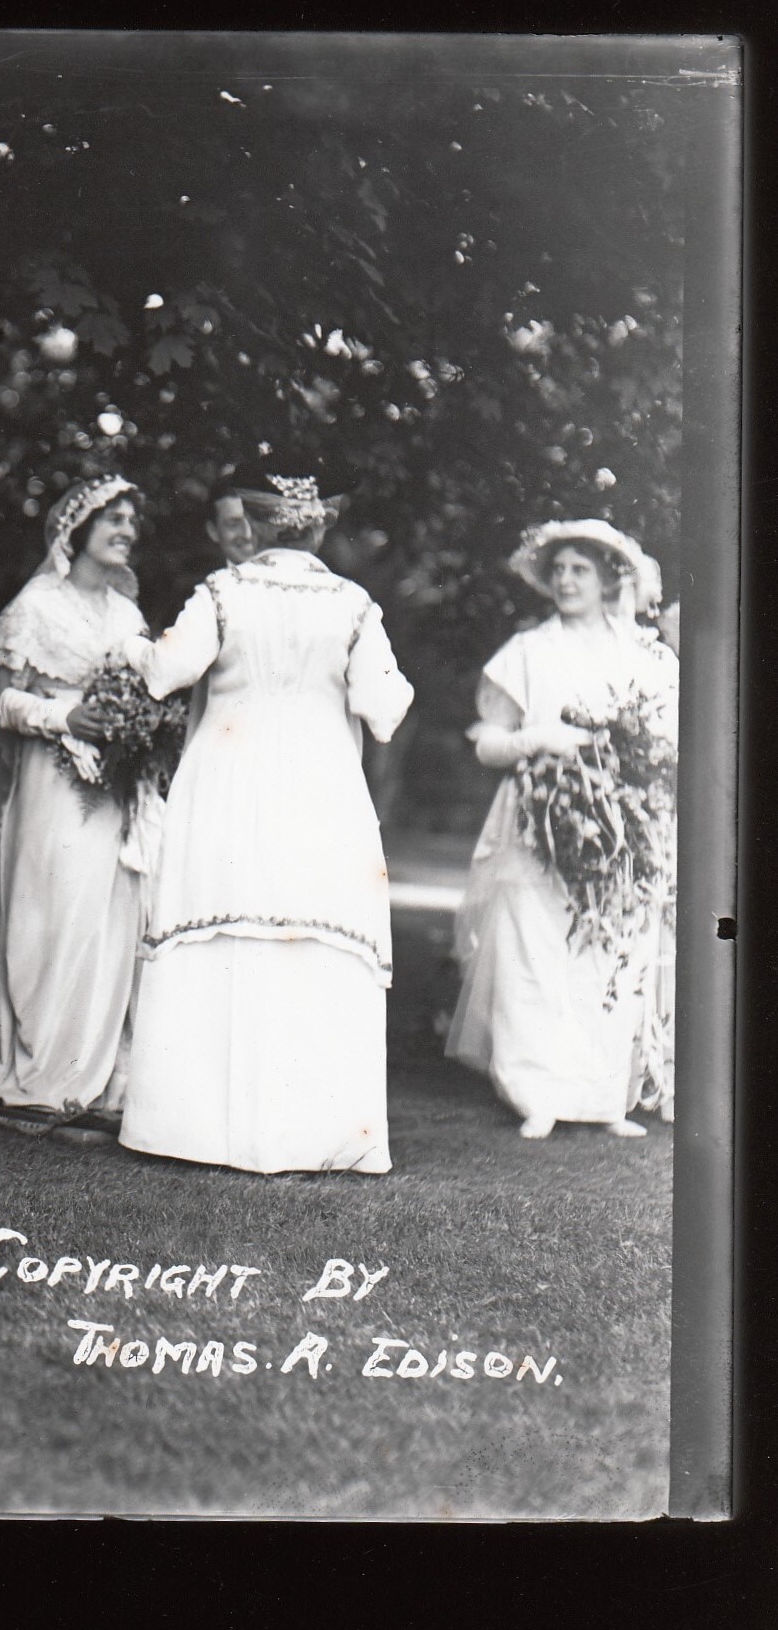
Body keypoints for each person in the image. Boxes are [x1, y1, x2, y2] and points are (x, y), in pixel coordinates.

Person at [118, 465, 413, 1175]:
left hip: (231, 775)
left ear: (259, 527)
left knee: (222, 920)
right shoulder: (352, 604)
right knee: (306, 931)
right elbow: (383, 709)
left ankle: (192, 1130)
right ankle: (314, 1133)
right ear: (319, 529)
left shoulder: (224, 591)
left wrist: (132, 647)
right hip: (319, 783)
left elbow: (166, 671)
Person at [0, 474, 150, 1128]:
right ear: (78, 528)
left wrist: (136, 728)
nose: (127, 529)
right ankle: (42, 1060)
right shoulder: (37, 605)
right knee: (52, 913)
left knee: (108, 918)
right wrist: (63, 720)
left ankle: (92, 1070)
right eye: (114, 518)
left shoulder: (128, 614)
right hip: (50, 780)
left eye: (133, 520)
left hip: (112, 785)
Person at [445, 520, 678, 1135]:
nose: (567, 580)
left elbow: (671, 742)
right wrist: (535, 740)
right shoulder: (528, 652)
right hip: (538, 819)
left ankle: (603, 1096)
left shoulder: (647, 657)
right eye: (560, 570)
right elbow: (488, 743)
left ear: (609, 578)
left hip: (624, 822)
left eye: (581, 569)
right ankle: (536, 1092)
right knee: (535, 944)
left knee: (610, 949)